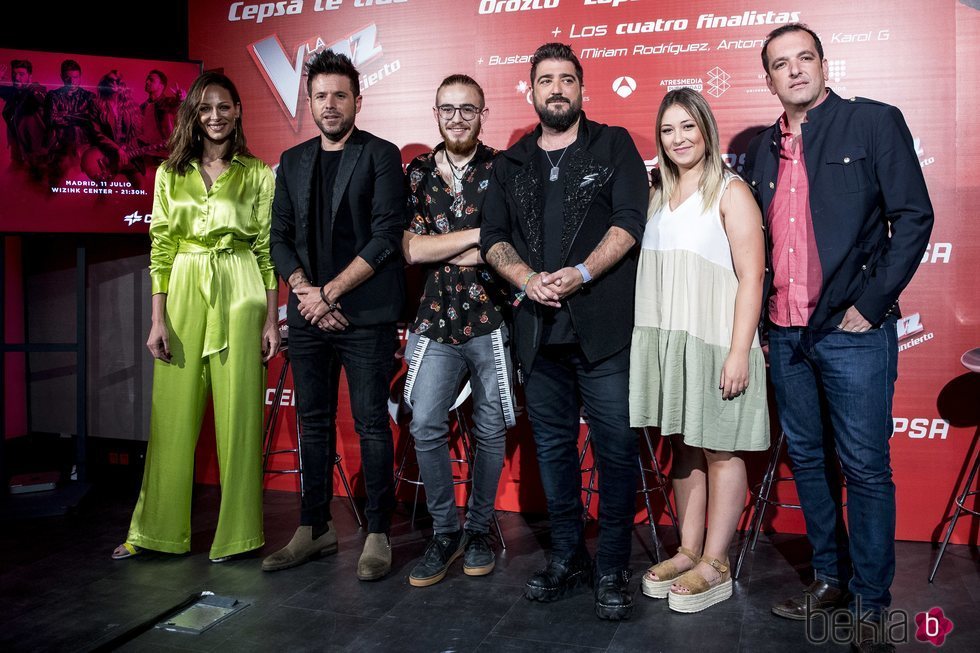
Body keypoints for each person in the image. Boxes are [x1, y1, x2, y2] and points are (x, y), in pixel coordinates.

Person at [743, 23, 933, 653]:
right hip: (786, 334)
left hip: (851, 332)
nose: (794, 70)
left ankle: (872, 603)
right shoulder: (765, 149)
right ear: (767, 78)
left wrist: (870, 305)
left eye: (805, 59)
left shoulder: (874, 122)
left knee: (865, 469)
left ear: (823, 64)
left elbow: (913, 217)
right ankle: (829, 581)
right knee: (812, 465)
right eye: (780, 64)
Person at [481, 43, 648, 621]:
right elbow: (493, 239)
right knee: (552, 451)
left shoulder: (614, 144)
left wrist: (578, 274)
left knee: (616, 452)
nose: (557, 88)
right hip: (536, 331)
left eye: (567, 79)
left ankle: (613, 567)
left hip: (603, 333)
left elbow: (630, 223)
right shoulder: (512, 162)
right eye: (546, 79)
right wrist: (529, 279)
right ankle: (570, 558)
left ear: (582, 88)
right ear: (531, 90)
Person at [112, 71, 280, 562]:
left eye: (224, 106)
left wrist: (271, 321)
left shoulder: (258, 173)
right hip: (184, 287)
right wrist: (157, 320)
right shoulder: (170, 172)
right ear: (193, 113)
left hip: (241, 288)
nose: (215, 116)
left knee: (240, 420)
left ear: (237, 111)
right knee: (172, 418)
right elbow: (160, 247)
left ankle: (240, 536)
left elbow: (267, 252)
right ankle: (153, 533)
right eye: (205, 107)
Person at [264, 50, 404, 581]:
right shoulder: (294, 159)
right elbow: (278, 237)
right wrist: (305, 292)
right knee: (313, 423)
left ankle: (377, 532)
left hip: (363, 317)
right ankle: (314, 527)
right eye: (320, 95)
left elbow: (387, 236)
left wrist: (331, 294)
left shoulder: (381, 155)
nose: (329, 104)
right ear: (309, 102)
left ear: (358, 101)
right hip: (308, 316)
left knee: (371, 425)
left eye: (339, 95)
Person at [629, 88, 768, 613]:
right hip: (669, 340)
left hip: (716, 341)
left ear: (706, 130)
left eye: (687, 126)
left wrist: (738, 352)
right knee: (683, 446)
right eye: (667, 130)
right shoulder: (657, 193)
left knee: (720, 449)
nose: (678, 138)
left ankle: (716, 561)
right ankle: (688, 551)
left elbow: (753, 277)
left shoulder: (731, 191)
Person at [402, 74, 514, 587]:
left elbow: (506, 249)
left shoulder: (502, 169)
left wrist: (446, 243)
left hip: (491, 316)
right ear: (435, 113)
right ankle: (445, 532)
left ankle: (478, 530)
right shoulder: (417, 172)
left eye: (468, 109)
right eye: (447, 109)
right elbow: (412, 250)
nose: (457, 118)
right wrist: (479, 240)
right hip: (435, 317)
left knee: (491, 428)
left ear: (483, 113)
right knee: (424, 421)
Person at [85, 70, 143, 184]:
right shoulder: (96, 103)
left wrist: (126, 147)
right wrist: (117, 149)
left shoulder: (130, 106)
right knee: (102, 194)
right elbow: (96, 133)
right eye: (110, 80)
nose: (114, 83)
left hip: (126, 154)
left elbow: (136, 132)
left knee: (141, 186)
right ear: (105, 83)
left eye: (117, 81)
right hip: (104, 155)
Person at [44, 59, 94, 185]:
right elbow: (51, 120)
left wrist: (65, 115)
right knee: (57, 187)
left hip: (85, 148)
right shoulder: (53, 95)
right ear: (62, 77)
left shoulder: (89, 97)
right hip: (60, 149)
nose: (72, 81)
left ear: (80, 76)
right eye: (68, 78)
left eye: (76, 77)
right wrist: (81, 118)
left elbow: (92, 120)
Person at [0, 58, 47, 177]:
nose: (16, 77)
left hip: (35, 155)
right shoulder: (14, 92)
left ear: (29, 76)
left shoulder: (36, 90)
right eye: (14, 74)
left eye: (21, 74)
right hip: (18, 152)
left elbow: (38, 97)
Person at [139, 69, 181, 163]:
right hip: (146, 153)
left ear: (161, 85)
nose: (147, 82)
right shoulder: (142, 107)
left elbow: (179, 106)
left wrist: (181, 99)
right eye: (147, 79)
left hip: (164, 154)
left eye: (151, 80)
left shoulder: (168, 102)